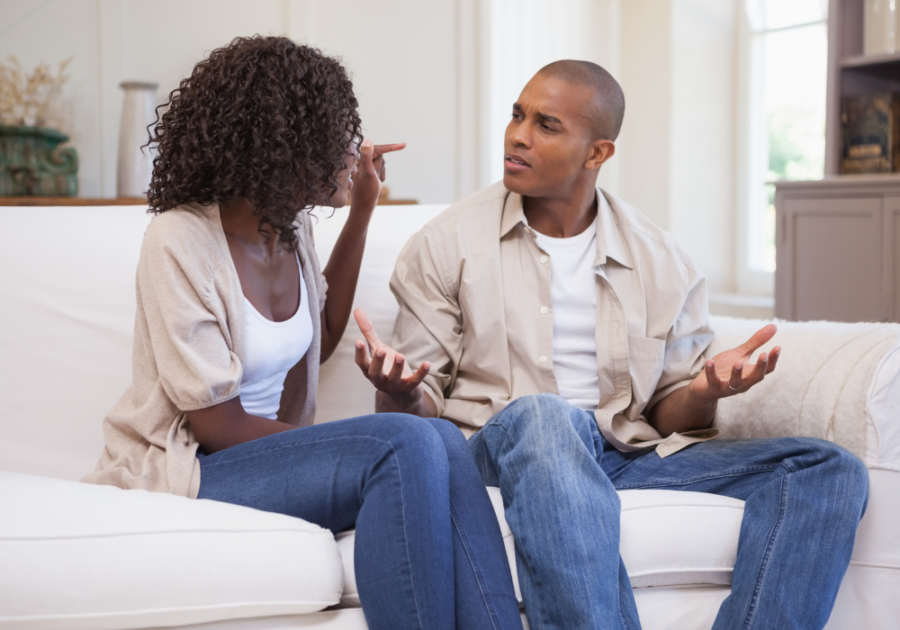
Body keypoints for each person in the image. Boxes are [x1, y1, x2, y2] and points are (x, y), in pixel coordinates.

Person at [353, 60, 869, 630]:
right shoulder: (447, 244)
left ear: (597, 154)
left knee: (826, 468)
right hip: (495, 453)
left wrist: (701, 389)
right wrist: (400, 390)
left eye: (547, 125)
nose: (518, 135)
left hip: (619, 455)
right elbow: (419, 409)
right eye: (517, 115)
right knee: (547, 419)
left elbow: (668, 414)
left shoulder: (660, 258)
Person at [82, 36, 523, 630]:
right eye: (339, 131)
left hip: (258, 454)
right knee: (404, 440)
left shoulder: (287, 231)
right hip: (193, 468)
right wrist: (343, 446)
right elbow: (217, 424)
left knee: (440, 438)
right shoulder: (179, 242)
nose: (354, 147)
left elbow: (321, 335)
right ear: (284, 142)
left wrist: (364, 208)